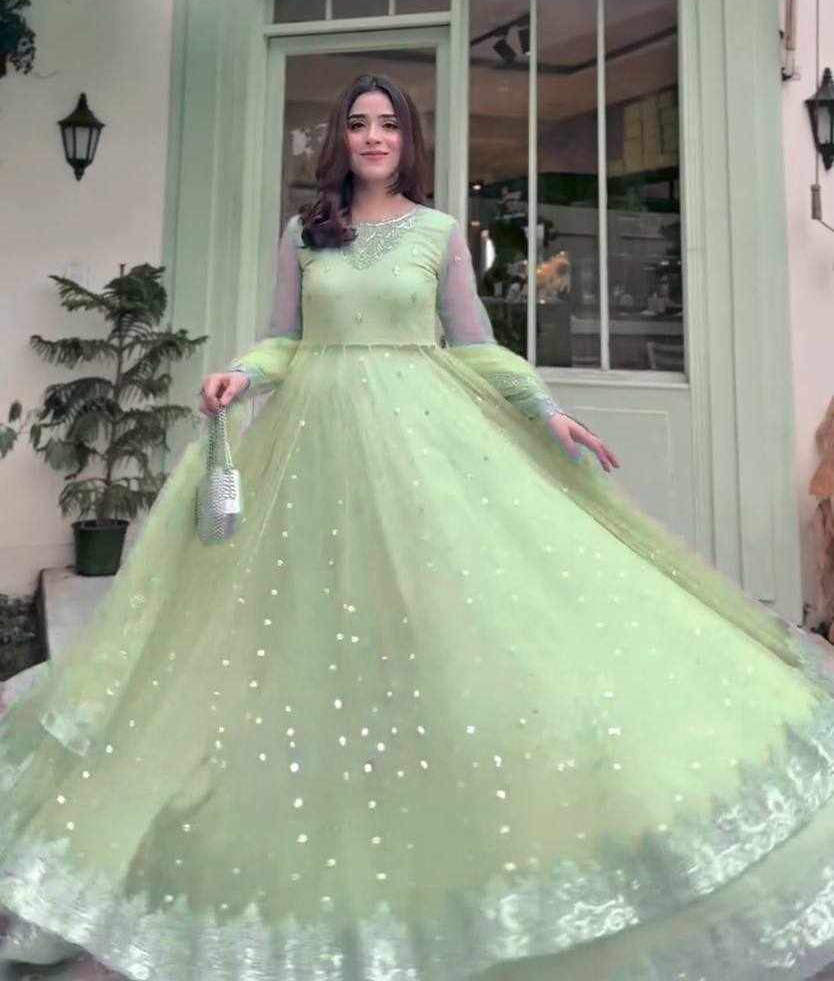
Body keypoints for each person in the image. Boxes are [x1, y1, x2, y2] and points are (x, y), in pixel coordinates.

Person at [2, 74, 834, 981]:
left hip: (422, 437)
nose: (373, 137)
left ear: (408, 139)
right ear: (341, 139)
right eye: (358, 123)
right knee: (304, 624)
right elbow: (283, 338)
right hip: (314, 443)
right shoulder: (305, 232)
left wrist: (545, 410)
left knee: (445, 611)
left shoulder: (438, 233)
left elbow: (472, 342)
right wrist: (243, 374)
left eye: (388, 124)